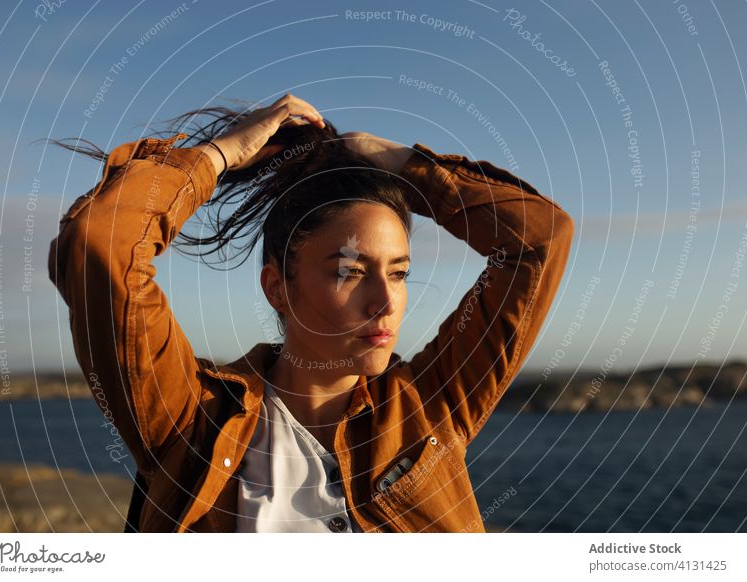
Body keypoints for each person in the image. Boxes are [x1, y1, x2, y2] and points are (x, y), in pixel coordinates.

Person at [47, 92, 573, 532]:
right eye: (350, 271)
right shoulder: (194, 420)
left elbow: (540, 240)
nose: (386, 302)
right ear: (277, 285)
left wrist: (404, 165)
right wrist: (218, 156)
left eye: (398, 272)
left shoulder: (431, 404)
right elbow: (101, 241)